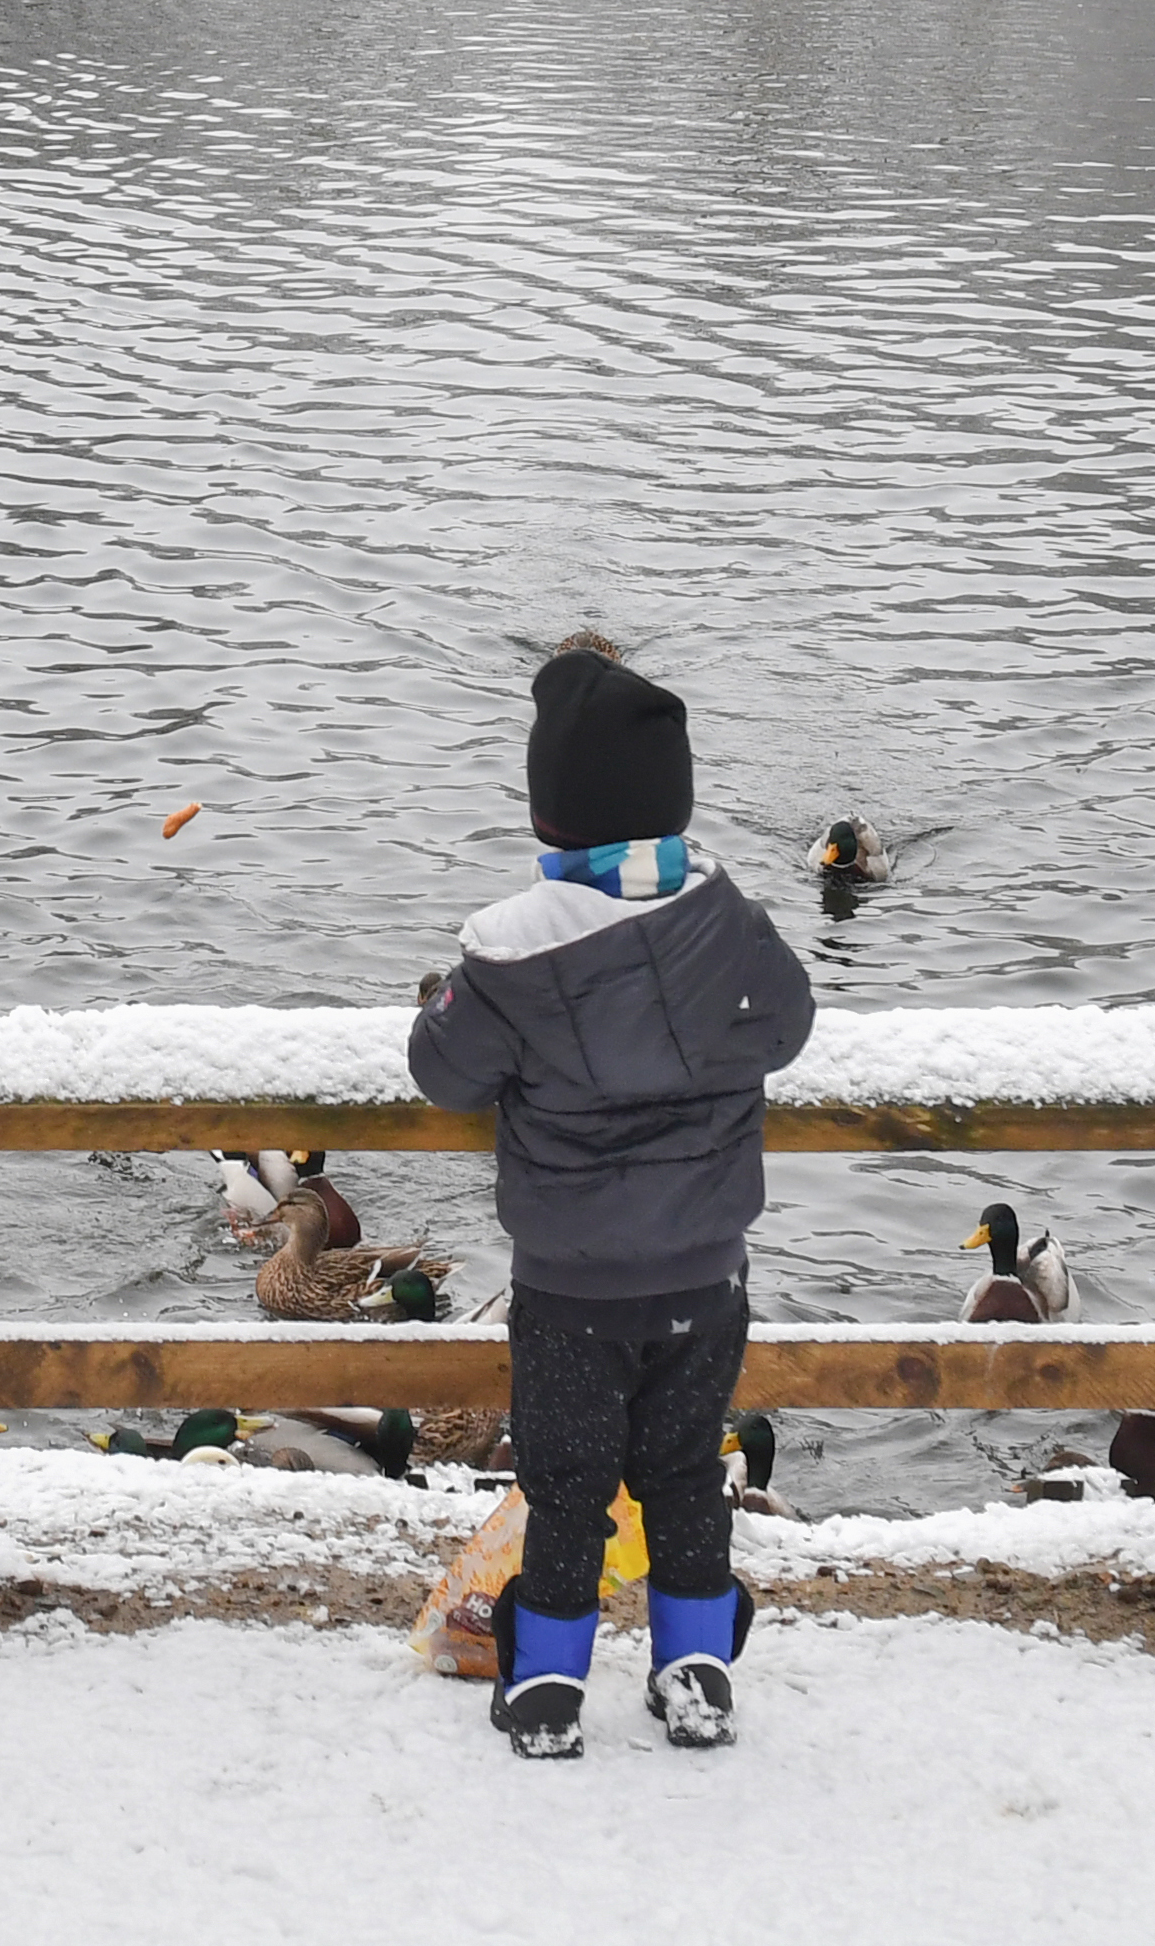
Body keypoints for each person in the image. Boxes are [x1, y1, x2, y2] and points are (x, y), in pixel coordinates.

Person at [406, 634, 815, 1760]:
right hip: (702, 1274)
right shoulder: (726, 919)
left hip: (571, 1287)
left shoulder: (509, 955)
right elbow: (787, 1022)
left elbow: (443, 1075)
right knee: (686, 1475)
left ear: (550, 818)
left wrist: (446, 999)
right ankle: (695, 1676)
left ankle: (545, 1686)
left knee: (570, 1484)